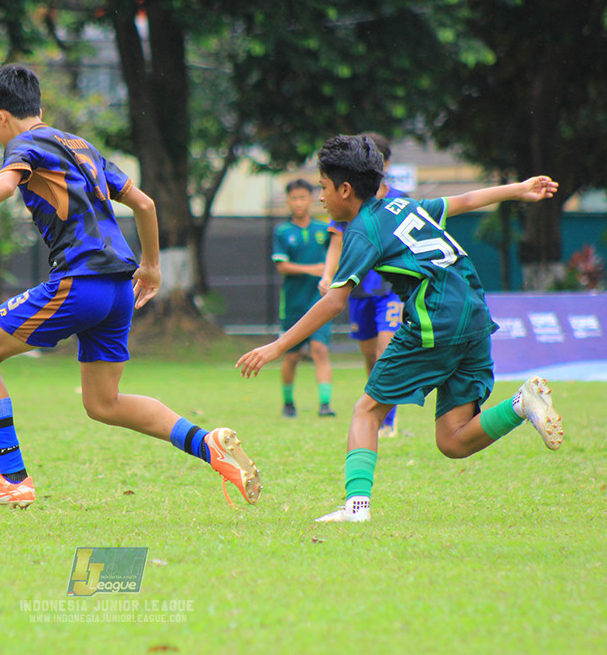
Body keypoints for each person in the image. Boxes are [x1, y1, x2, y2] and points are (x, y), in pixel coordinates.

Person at [0, 64, 260, 509]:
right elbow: (144, 203)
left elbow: (3, 188)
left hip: (80, 283)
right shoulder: (80, 146)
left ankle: (11, 478)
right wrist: (151, 267)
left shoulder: (23, 144)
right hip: (119, 290)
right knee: (104, 403)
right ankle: (207, 444)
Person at [236, 134, 563, 523]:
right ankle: (522, 404)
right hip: (473, 313)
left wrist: (277, 346)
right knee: (453, 440)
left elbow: (335, 301)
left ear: (345, 189)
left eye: (323, 188)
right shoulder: (404, 205)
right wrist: (518, 189)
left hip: (435, 315)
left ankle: (356, 507)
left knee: (366, 410)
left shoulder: (363, 229)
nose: (320, 198)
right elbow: (465, 200)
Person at [319, 132, 404, 438]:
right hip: (359, 290)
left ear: (386, 165)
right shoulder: (347, 201)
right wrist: (328, 275)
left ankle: (388, 422)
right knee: (370, 357)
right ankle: (378, 414)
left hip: (391, 290)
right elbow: (336, 241)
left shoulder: (400, 201)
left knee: (384, 352)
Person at [273, 179, 335, 418]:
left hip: (319, 301)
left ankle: (325, 404)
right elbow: (282, 266)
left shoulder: (324, 229)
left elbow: (335, 256)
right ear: (288, 201)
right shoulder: (283, 232)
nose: (298, 203)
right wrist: (312, 269)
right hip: (293, 304)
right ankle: (288, 403)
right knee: (292, 355)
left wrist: (328, 275)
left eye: (302, 198)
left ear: (311, 199)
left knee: (320, 350)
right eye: (294, 198)